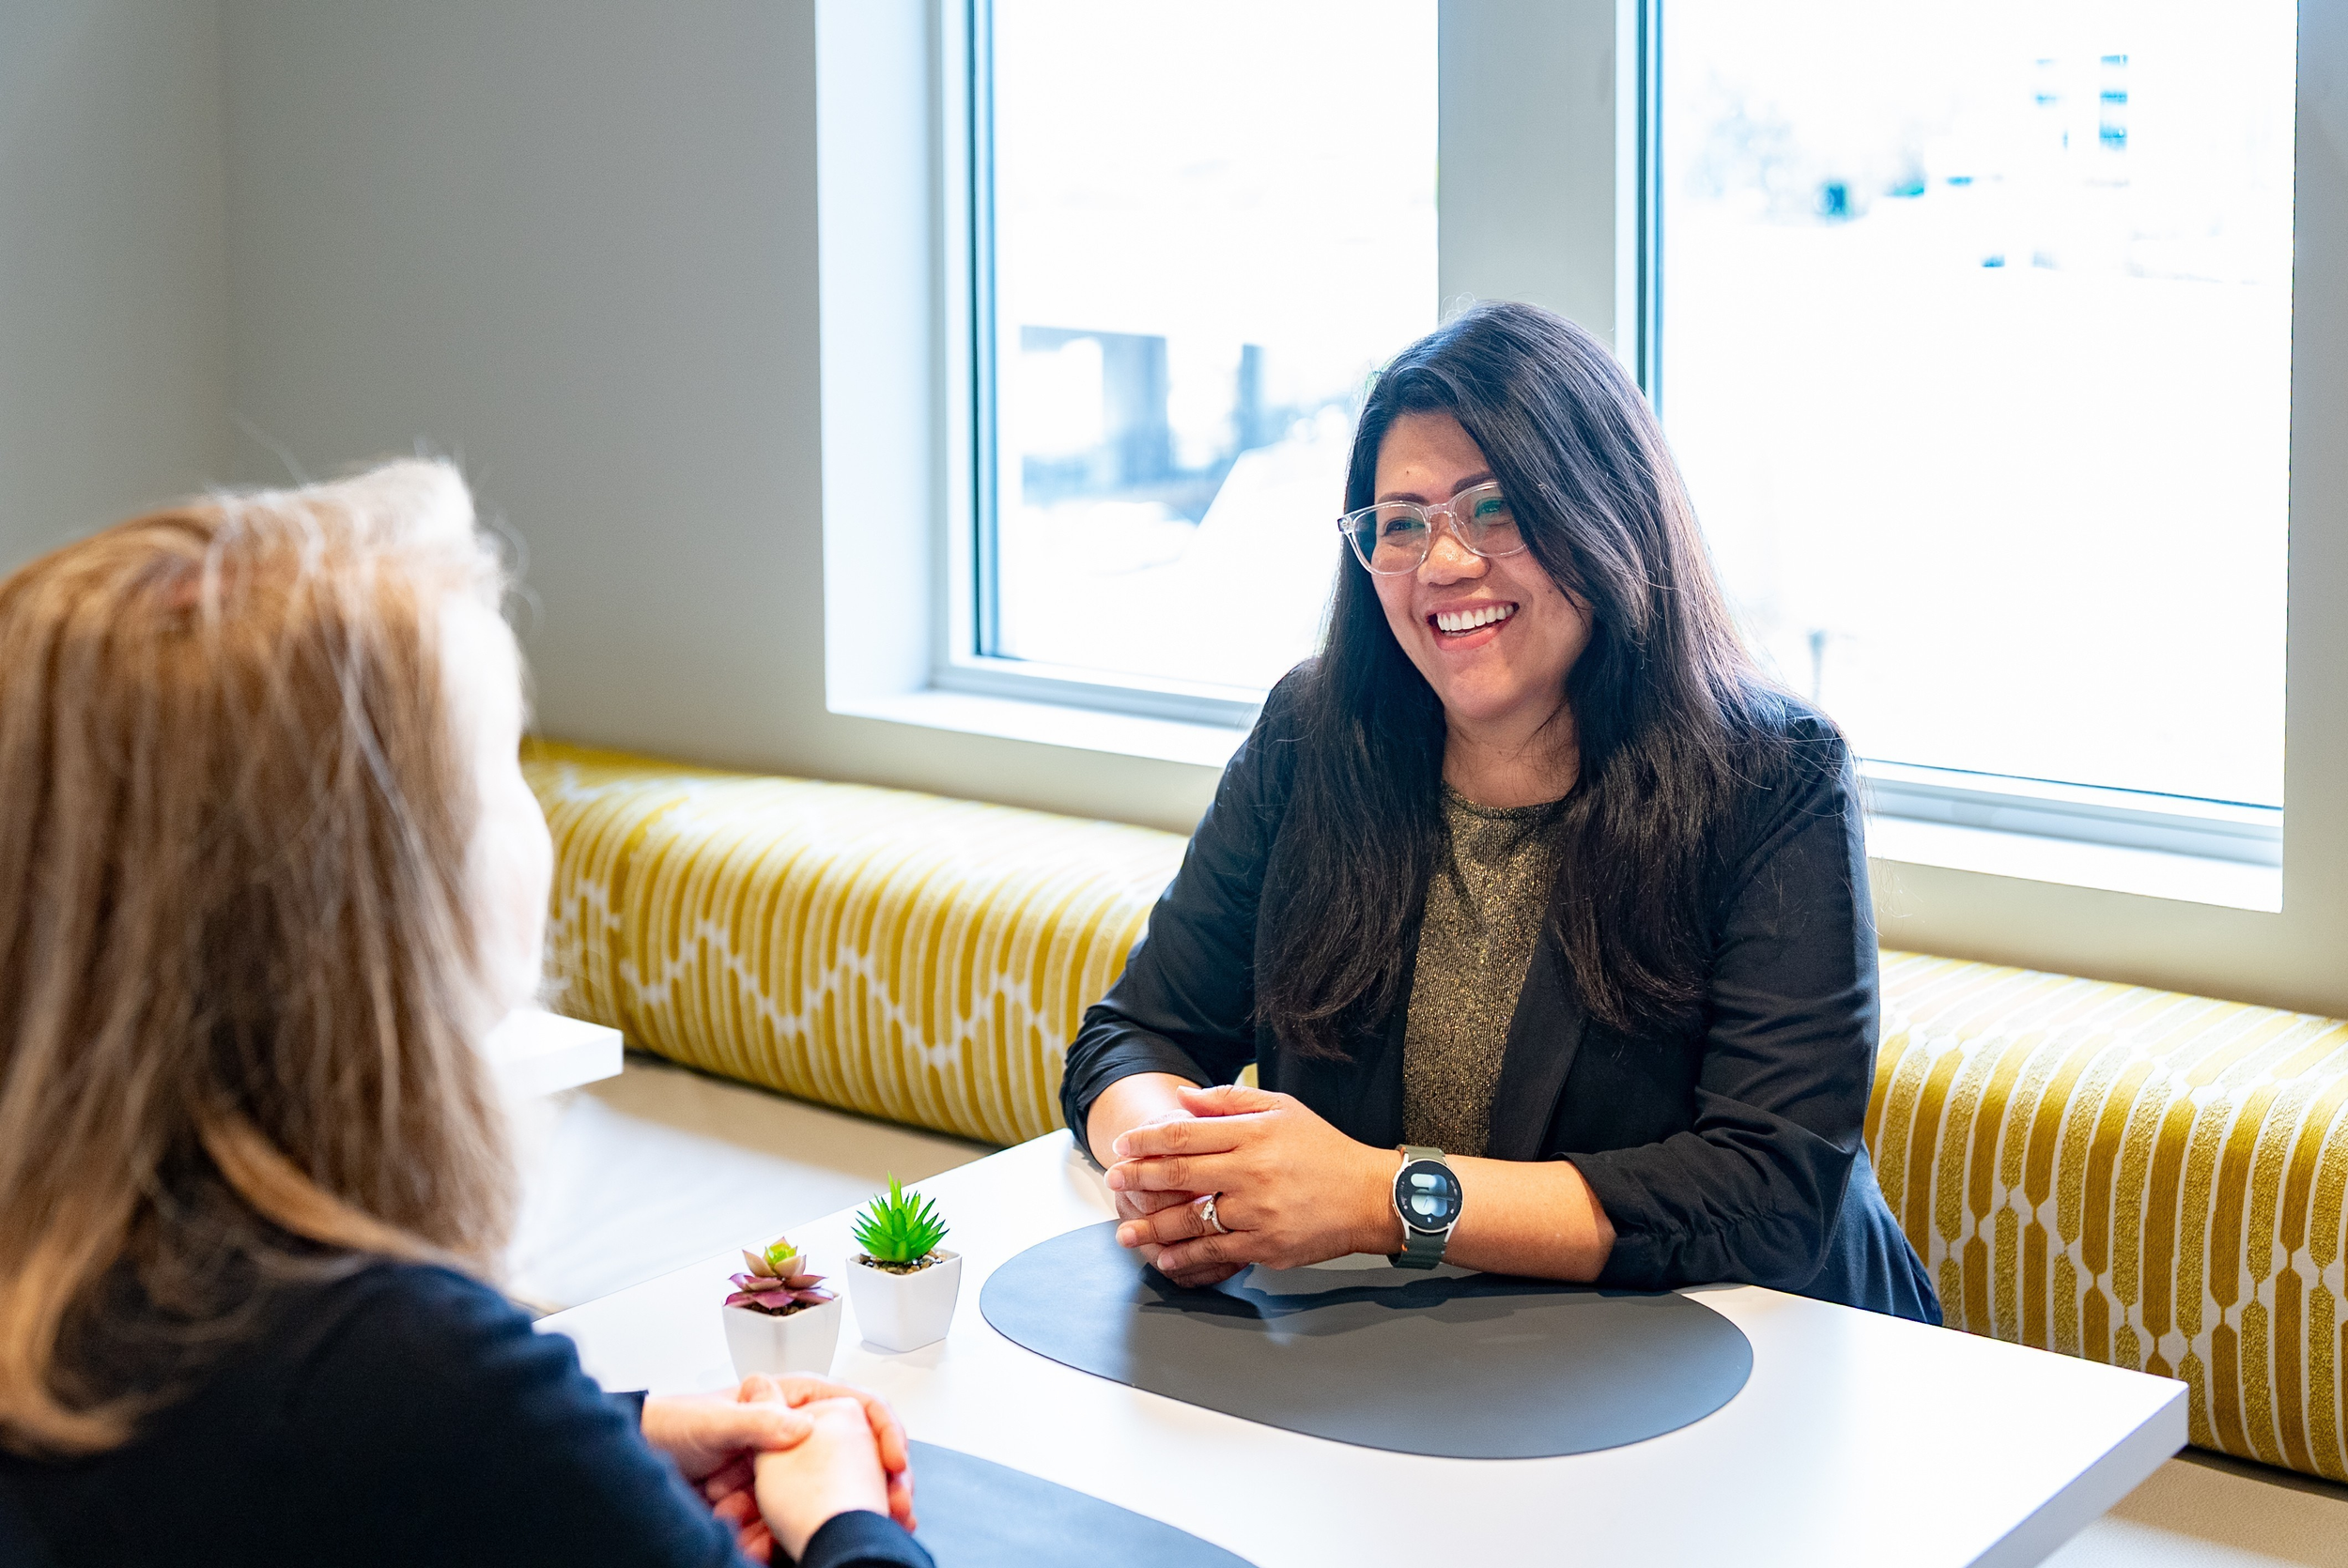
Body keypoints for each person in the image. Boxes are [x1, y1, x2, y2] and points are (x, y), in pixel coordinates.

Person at [0, 463, 934, 1567]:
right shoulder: (405, 1370)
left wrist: (609, 1432)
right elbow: (405, 1431)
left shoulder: (94, 1289)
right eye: (504, 769)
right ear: (374, 897)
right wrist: (844, 1517)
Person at [1063, 302, 1938, 1322]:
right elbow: (1134, 1035)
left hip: (1745, 1360)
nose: (1444, 564)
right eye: (1402, 523)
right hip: (1426, 1364)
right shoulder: (1314, 735)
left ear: (1602, 510)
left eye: (1494, 509)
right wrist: (1174, 1169)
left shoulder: (1771, 776)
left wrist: (1381, 1197)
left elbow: (1768, 1193)